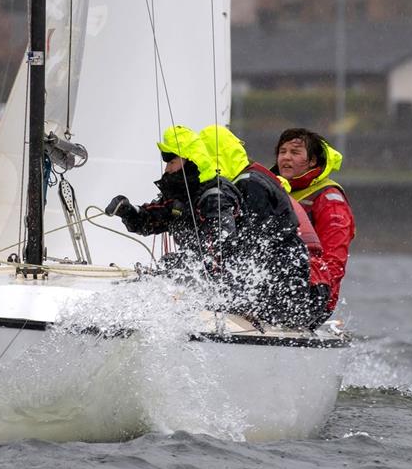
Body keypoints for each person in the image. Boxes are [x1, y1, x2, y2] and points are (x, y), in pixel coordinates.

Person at [106, 124, 315, 328]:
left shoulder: (222, 193)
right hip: (241, 280)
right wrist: (128, 211)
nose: (167, 169)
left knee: (178, 264)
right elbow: (152, 219)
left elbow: (227, 249)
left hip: (275, 289)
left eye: (171, 162)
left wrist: (176, 271)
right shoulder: (184, 197)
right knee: (175, 266)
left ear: (192, 159)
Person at [273, 128, 355, 320]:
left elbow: (334, 259)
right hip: (279, 288)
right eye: (282, 152)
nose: (286, 158)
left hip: (310, 297)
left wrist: (320, 303)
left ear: (312, 161)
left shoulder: (330, 200)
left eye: (294, 152)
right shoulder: (274, 189)